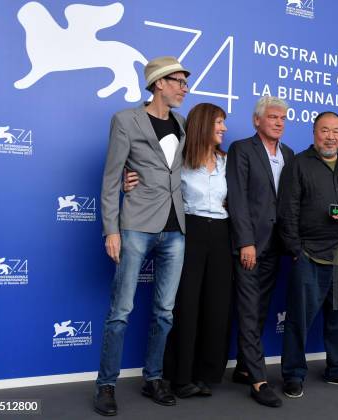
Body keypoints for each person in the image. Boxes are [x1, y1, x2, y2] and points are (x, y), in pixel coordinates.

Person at [94, 56, 190, 416]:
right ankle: (106, 386)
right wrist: (111, 229)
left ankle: (154, 377)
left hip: (175, 229)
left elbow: (181, 170)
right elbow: (110, 177)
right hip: (134, 225)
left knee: (165, 312)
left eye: (185, 82)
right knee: (121, 311)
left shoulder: (181, 122)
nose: (184, 88)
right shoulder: (125, 120)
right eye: (178, 81)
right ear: (159, 83)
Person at [125, 103, 233, 398]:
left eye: (224, 123)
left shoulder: (227, 161)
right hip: (190, 232)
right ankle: (180, 377)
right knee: (185, 305)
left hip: (222, 234)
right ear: (203, 126)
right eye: (219, 123)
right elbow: (150, 176)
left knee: (216, 305)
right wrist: (127, 177)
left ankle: (206, 374)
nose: (223, 128)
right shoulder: (180, 161)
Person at [278, 111, 338, 398]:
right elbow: (287, 211)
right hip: (310, 253)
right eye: (324, 130)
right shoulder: (298, 165)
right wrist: (295, 249)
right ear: (314, 133)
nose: (330, 136)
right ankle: (293, 374)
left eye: (336, 131)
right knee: (298, 319)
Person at [226, 96, 294, 407]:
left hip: (277, 245)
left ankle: (242, 366)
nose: (279, 122)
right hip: (251, 245)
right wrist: (245, 242)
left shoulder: (290, 154)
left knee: (261, 309)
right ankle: (258, 379)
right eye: (273, 117)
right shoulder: (242, 149)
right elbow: (238, 199)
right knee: (250, 310)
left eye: (283, 118)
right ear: (257, 121)